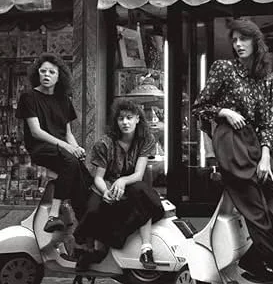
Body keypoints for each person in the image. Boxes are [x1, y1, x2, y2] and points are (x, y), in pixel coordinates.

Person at [192, 18, 273, 284]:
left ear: (255, 42)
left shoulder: (264, 81)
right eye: (235, 40)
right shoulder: (224, 68)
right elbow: (199, 107)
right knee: (256, 212)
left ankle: (253, 257)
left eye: (243, 39)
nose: (238, 44)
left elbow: (268, 124)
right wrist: (224, 112)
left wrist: (266, 155)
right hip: (230, 143)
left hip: (253, 144)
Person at [73, 99, 164, 268]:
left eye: (129, 118)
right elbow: (98, 178)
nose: (125, 122)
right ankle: (89, 250)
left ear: (137, 119)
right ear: (116, 121)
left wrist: (123, 180)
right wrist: (106, 192)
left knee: (143, 197)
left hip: (130, 184)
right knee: (92, 210)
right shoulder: (105, 143)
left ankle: (146, 249)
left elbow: (138, 174)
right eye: (121, 118)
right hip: (106, 185)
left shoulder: (145, 140)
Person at [16, 53, 92, 232]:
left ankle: (85, 231)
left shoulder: (64, 100)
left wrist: (76, 148)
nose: (46, 75)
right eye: (43, 71)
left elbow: (68, 133)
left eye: (51, 72)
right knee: (70, 161)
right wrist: (67, 147)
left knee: (83, 179)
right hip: (41, 148)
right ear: (37, 73)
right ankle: (53, 215)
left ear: (59, 76)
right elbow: (36, 132)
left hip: (62, 150)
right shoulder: (28, 97)